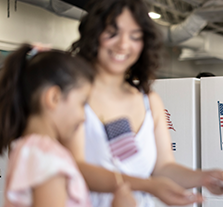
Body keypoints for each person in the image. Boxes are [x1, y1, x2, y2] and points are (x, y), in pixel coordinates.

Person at [66, 0, 223, 206]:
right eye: (112, 32)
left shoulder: (149, 101)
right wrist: (147, 185)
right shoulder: (73, 96)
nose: (123, 44)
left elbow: (163, 167)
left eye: (135, 36)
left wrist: (203, 177)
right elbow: (77, 168)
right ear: (94, 34)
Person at [0, 44, 135, 207]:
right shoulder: (48, 156)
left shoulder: (27, 149)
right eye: (82, 103)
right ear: (54, 98)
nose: (83, 117)